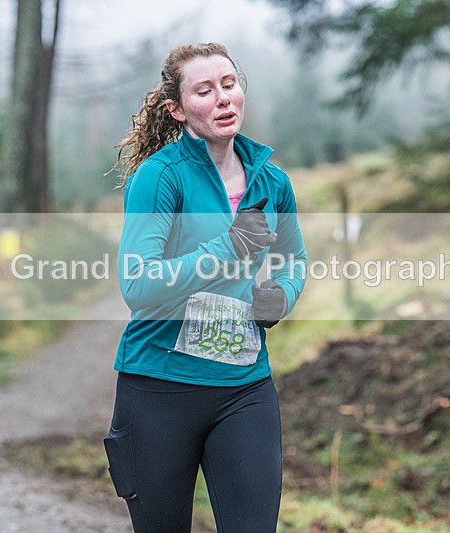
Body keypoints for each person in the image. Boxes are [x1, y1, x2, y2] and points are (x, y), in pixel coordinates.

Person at [104, 42, 306, 532]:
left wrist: (282, 293)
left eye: (229, 84)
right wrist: (230, 247)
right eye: (204, 90)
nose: (222, 98)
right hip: (159, 389)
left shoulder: (271, 180)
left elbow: (293, 259)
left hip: (244, 387)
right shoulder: (160, 178)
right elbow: (139, 284)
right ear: (176, 108)